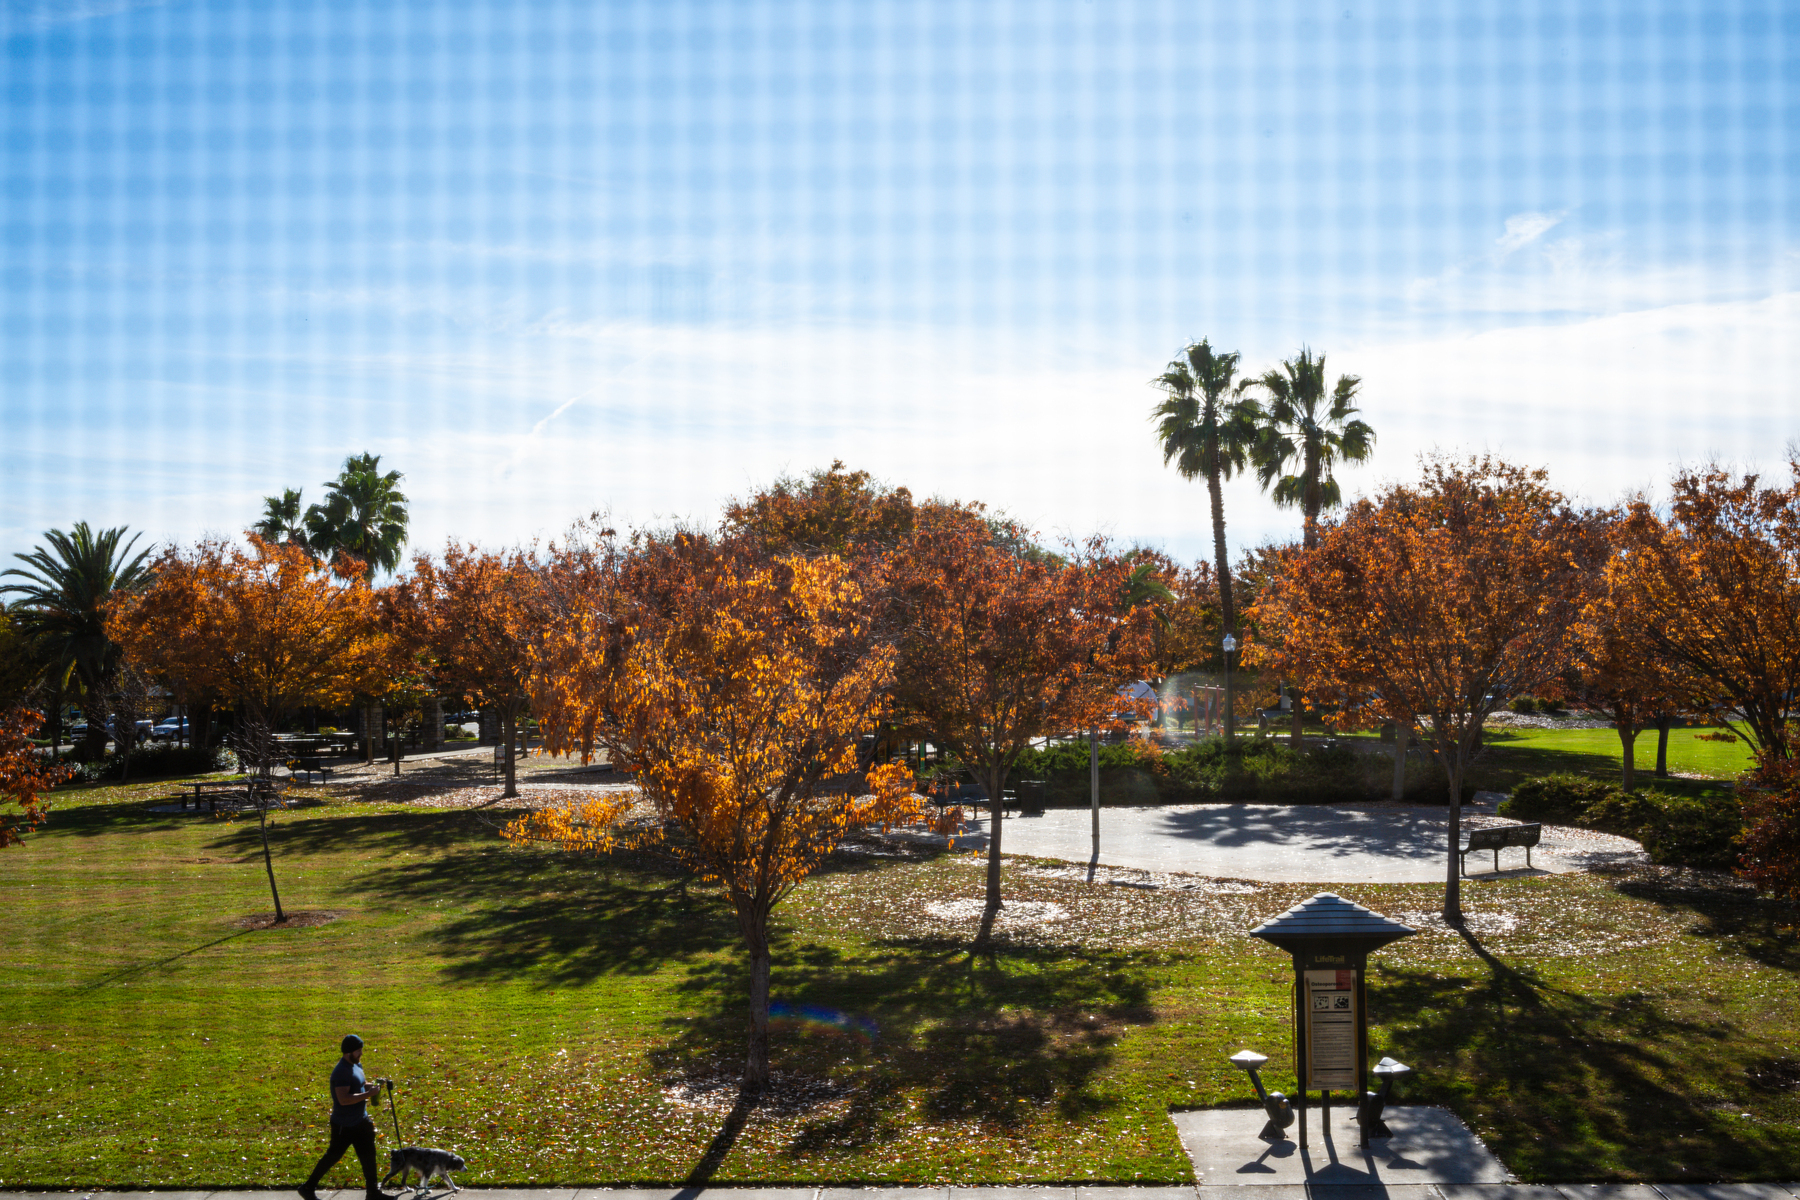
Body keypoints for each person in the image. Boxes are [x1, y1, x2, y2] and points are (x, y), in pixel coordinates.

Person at [298, 1034, 398, 1200]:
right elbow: (343, 1099)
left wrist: (375, 1087)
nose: (361, 1053)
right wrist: (368, 1094)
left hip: (361, 1120)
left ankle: (372, 1192)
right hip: (344, 1125)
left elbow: (360, 1084)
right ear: (349, 1052)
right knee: (333, 1156)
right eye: (358, 1050)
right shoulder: (341, 1071)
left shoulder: (356, 1064)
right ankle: (308, 1187)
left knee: (369, 1155)